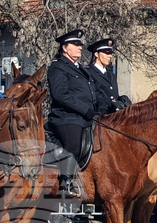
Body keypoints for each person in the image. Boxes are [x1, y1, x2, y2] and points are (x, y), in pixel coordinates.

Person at [48, 29, 98, 198]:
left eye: (80, 45)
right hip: (66, 117)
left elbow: (91, 94)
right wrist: (86, 110)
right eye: (75, 45)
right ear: (64, 47)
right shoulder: (58, 67)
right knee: (73, 144)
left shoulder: (82, 70)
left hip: (85, 117)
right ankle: (66, 184)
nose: (79, 48)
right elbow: (60, 95)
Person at [87, 38, 130, 115]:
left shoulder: (111, 75)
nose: (110, 56)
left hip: (113, 115)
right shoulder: (89, 72)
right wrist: (110, 103)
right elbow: (93, 95)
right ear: (96, 54)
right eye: (106, 53)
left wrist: (121, 99)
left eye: (110, 54)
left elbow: (113, 95)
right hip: (98, 115)